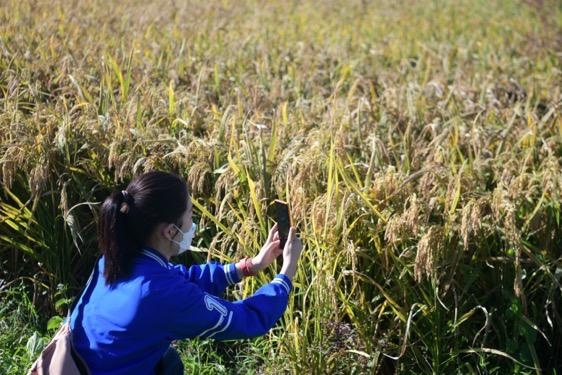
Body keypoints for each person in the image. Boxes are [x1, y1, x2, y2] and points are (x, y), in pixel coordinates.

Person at [69, 171, 303, 374]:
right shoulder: (160, 294)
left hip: (81, 366)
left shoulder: (113, 260)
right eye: (190, 215)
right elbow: (247, 319)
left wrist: (250, 265)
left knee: (169, 361)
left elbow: (182, 278)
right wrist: (286, 273)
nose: (193, 224)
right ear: (170, 231)